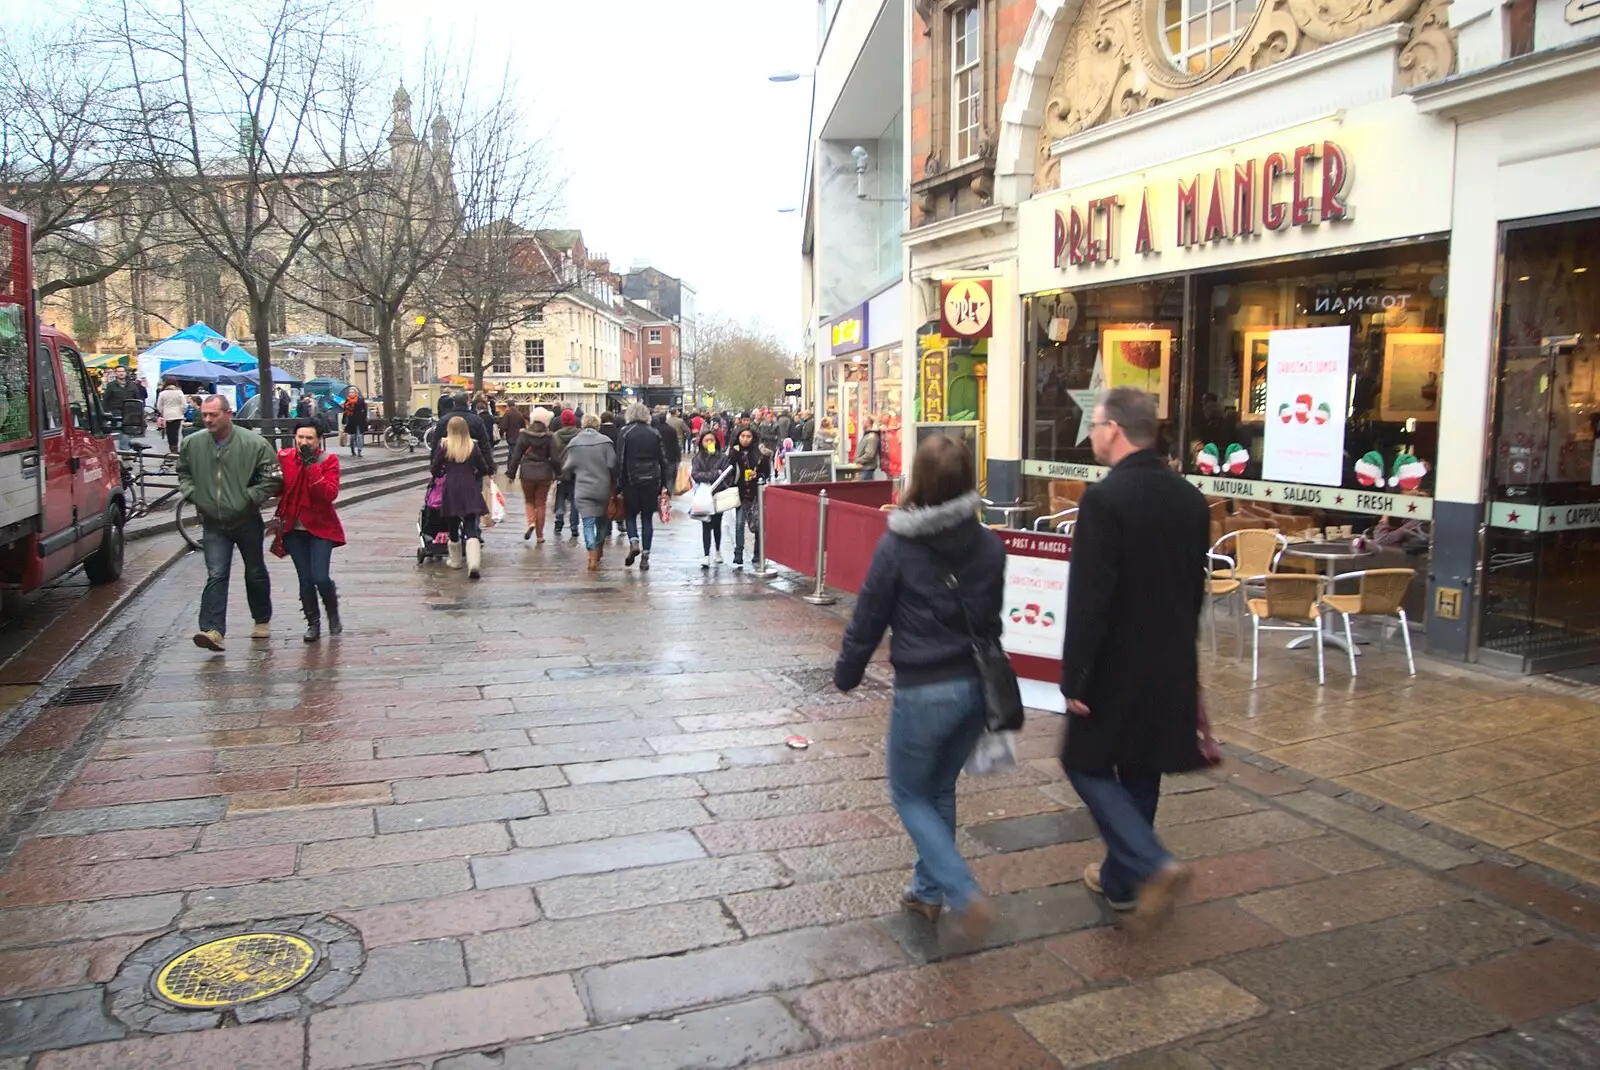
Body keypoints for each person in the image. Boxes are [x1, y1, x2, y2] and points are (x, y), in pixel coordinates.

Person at [833, 433, 1001, 941]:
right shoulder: (990, 545)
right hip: (975, 687)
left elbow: (869, 616)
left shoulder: (899, 546)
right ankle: (927, 893)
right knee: (941, 787)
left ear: (917, 482)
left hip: (925, 687)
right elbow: (991, 618)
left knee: (908, 792)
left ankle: (962, 890)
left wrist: (848, 671)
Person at [1061, 386, 1210, 934]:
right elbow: (1194, 591)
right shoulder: (1190, 499)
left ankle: (1150, 863)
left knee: (1085, 764)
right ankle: (1121, 882)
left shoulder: (1104, 500)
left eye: (1095, 426)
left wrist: (1075, 674)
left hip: (1116, 665)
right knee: (1142, 768)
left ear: (1116, 429)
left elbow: (1090, 596)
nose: (1093, 436)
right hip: (1170, 659)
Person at [178, 395, 283, 651]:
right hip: (213, 521)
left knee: (255, 570)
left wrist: (249, 498)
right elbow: (183, 472)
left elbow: (273, 479)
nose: (207, 420)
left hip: (246, 518)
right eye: (204, 415)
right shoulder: (192, 443)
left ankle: (261, 618)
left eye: (213, 415)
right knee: (216, 573)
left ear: (228, 414)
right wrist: (194, 494)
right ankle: (212, 630)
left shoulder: (254, 444)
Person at [274, 420, 345, 641]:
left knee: (320, 577)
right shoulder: (285, 457)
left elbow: (329, 494)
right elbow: (275, 485)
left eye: (309, 438)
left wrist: (311, 466)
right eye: (300, 437)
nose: (304, 442)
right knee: (305, 578)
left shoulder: (328, 460)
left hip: (320, 526)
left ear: (319, 439)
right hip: (294, 527)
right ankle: (313, 623)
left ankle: (332, 611)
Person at [431, 415, 493, 578]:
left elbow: (434, 468)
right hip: (470, 486)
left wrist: (441, 473)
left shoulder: (444, 445)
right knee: (471, 525)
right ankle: (473, 563)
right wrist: (475, 474)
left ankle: (456, 561)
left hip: (451, 487)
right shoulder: (472, 446)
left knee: (452, 523)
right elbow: (484, 467)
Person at [615, 403, 671, 571]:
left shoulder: (625, 432)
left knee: (630, 515)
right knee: (647, 518)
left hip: (631, 480)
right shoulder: (654, 432)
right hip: (651, 479)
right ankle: (646, 555)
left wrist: (619, 483)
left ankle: (634, 541)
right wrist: (664, 484)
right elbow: (663, 460)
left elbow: (620, 459)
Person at [562, 412, 617, 571]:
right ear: (598, 425)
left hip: (583, 489)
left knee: (587, 523)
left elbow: (567, 468)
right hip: (602, 488)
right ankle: (599, 549)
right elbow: (613, 464)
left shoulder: (574, 443)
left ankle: (592, 555)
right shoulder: (606, 442)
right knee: (601, 522)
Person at [508, 407, 563, 543]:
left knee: (529, 500)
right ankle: (540, 536)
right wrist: (559, 474)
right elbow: (555, 459)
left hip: (527, 472)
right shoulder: (549, 437)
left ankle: (531, 522)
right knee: (541, 503)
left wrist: (511, 473)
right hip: (544, 473)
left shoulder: (524, 435)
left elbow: (516, 456)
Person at [726, 427, 770, 568]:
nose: (745, 439)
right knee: (739, 524)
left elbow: (766, 473)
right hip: (740, 493)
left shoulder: (759, 454)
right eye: (742, 436)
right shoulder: (734, 452)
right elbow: (729, 470)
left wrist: (757, 476)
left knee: (757, 525)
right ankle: (738, 553)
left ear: (753, 438)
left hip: (755, 494)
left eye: (748, 436)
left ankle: (757, 554)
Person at [691, 429, 729, 568]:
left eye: (711, 440)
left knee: (717, 524)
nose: (709, 443)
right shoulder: (698, 458)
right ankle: (706, 554)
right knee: (705, 524)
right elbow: (696, 474)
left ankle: (718, 550)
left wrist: (711, 475)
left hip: (718, 494)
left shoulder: (722, 457)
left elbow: (724, 474)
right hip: (703, 494)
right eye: (706, 440)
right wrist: (713, 474)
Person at [102, 366, 139, 447]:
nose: (121, 373)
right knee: (123, 429)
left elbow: (138, 398)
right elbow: (106, 399)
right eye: (119, 371)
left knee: (127, 430)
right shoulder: (111, 385)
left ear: (126, 373)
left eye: (122, 371)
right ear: (116, 373)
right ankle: (125, 449)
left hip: (130, 411)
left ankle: (125, 448)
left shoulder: (132, 385)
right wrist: (106, 412)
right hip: (116, 411)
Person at [156, 379, 188, 455]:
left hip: (167, 415)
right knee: (176, 432)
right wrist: (182, 411)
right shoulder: (179, 392)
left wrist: (162, 412)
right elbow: (184, 404)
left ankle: (172, 448)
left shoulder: (162, 393)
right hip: (178, 415)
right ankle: (175, 448)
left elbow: (159, 406)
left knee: (170, 433)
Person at [342, 388, 369, 457]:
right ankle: (352, 449)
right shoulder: (347, 401)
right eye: (350, 392)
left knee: (360, 436)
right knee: (352, 436)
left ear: (356, 393)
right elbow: (345, 411)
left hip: (360, 420)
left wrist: (364, 418)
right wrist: (344, 420)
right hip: (351, 421)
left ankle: (359, 451)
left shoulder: (360, 400)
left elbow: (365, 409)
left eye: (352, 392)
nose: (351, 393)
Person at [500, 400, 527, 467]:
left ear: (508, 406)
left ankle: (523, 467)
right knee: (511, 452)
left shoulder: (507, 413)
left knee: (514, 454)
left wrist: (501, 434)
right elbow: (523, 426)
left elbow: (504, 426)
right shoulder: (519, 413)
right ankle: (509, 468)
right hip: (518, 436)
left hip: (511, 437)